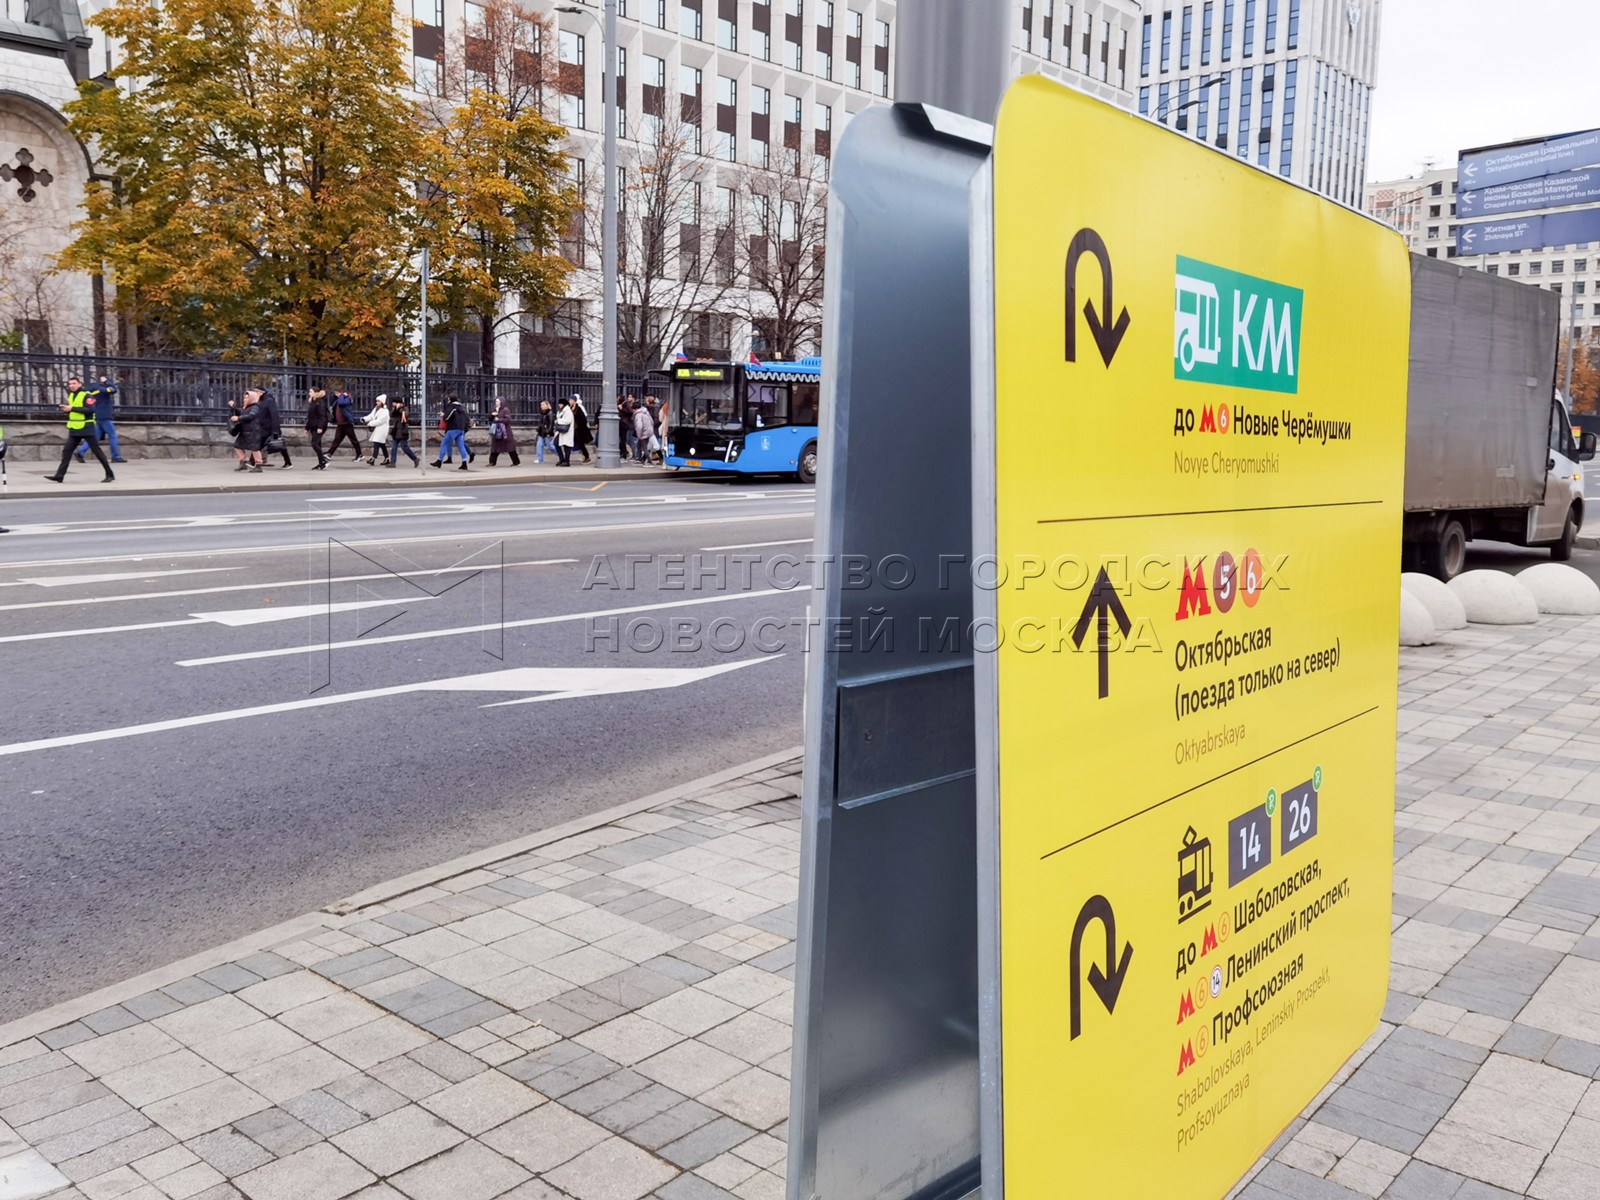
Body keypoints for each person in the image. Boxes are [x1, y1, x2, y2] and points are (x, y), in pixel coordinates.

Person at [48, 375, 114, 483]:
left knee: (97, 451)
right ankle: (59, 475)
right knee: (67, 451)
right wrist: (66, 410)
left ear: (79, 384)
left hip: (86, 427)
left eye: (74, 383)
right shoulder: (71, 395)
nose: (72, 386)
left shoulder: (87, 395)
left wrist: (71, 408)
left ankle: (110, 474)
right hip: (75, 428)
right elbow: (74, 411)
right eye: (70, 384)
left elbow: (90, 410)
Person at [73, 375, 126, 465]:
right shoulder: (102, 389)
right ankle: (116, 456)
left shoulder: (93, 388)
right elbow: (113, 389)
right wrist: (107, 382)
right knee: (112, 435)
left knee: (95, 437)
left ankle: (80, 452)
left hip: (97, 415)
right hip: (104, 415)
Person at [228, 391, 264, 473]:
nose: (245, 399)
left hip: (253, 431)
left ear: (252, 398)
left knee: (255, 448)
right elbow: (240, 412)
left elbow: (251, 416)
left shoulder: (255, 407)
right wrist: (233, 407)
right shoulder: (246, 407)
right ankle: (243, 462)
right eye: (244, 398)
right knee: (238, 446)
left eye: (247, 398)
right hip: (245, 431)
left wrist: (238, 418)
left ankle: (258, 465)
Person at [433, 393, 471, 469]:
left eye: (448, 399)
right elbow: (466, 418)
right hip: (461, 429)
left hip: (453, 429)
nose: (448, 400)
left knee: (444, 444)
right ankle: (464, 463)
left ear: (450, 399)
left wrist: (443, 415)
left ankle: (439, 461)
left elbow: (447, 418)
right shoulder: (462, 407)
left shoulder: (452, 407)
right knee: (461, 446)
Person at [257, 387, 292, 468]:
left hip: (270, 427)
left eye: (257, 392)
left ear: (261, 392)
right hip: (264, 427)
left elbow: (274, 414)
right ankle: (288, 462)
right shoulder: (262, 401)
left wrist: (275, 429)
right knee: (260, 444)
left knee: (279, 445)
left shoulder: (269, 400)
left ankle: (288, 462)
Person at [327, 390, 363, 460]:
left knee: (353, 440)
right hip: (340, 423)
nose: (336, 394)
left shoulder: (348, 399)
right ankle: (329, 453)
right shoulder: (338, 399)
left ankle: (359, 454)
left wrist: (342, 395)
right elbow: (333, 403)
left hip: (347, 423)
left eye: (338, 393)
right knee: (337, 440)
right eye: (335, 393)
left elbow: (341, 403)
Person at [387, 396, 419, 467]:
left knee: (404, 447)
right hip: (396, 431)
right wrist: (396, 409)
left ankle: (415, 458)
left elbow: (406, 414)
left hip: (403, 431)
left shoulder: (405, 408)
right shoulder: (394, 409)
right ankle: (393, 463)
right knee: (394, 448)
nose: (393, 404)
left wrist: (399, 408)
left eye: (394, 402)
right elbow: (391, 415)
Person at [488, 396, 520, 466]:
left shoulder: (505, 410)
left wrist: (499, 419)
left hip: (505, 432)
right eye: (496, 401)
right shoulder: (494, 410)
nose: (496, 403)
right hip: (497, 431)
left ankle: (516, 461)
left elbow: (508, 420)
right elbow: (490, 419)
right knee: (495, 447)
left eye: (497, 401)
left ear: (501, 402)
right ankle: (492, 462)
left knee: (510, 447)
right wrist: (491, 415)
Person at [305, 387, 330, 469]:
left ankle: (323, 460)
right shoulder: (313, 402)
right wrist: (307, 428)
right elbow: (311, 417)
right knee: (318, 444)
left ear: (316, 393)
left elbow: (322, 416)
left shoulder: (320, 402)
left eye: (311, 391)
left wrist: (320, 427)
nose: (309, 393)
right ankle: (321, 463)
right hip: (313, 425)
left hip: (319, 426)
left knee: (314, 443)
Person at [363, 394, 391, 465]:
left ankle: (373, 458)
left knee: (377, 443)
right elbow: (371, 416)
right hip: (378, 429)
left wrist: (370, 423)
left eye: (378, 401)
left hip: (382, 429)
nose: (377, 402)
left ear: (382, 402)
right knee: (382, 444)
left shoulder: (385, 411)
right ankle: (387, 458)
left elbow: (380, 421)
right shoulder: (376, 408)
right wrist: (364, 419)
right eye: (377, 401)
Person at [571, 393, 592, 463]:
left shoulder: (578, 408)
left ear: (574, 401)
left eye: (571, 400)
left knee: (581, 443)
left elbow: (583, 419)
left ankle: (587, 457)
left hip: (580, 429)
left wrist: (577, 422)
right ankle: (585, 456)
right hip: (574, 429)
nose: (569, 401)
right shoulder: (571, 408)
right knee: (578, 443)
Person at [632, 398, 655, 464]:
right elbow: (652, 421)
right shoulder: (646, 412)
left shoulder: (638, 415)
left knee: (644, 447)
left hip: (643, 432)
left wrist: (639, 435)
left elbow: (639, 426)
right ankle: (640, 459)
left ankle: (648, 460)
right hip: (649, 431)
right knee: (639, 445)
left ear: (635, 409)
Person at [554, 397, 574, 467]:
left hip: (566, 431)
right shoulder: (561, 411)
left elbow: (568, 420)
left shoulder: (568, 411)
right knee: (556, 443)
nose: (559, 405)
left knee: (567, 446)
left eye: (560, 404)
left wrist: (558, 421)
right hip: (561, 431)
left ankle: (566, 461)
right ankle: (562, 459)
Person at [534, 400, 556, 464]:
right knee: (539, 445)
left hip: (547, 433)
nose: (542, 406)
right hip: (541, 432)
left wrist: (549, 432)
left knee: (550, 446)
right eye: (541, 405)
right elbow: (541, 423)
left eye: (543, 405)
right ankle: (540, 459)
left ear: (547, 405)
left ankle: (561, 455)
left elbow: (551, 424)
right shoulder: (542, 413)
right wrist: (539, 428)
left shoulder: (550, 413)